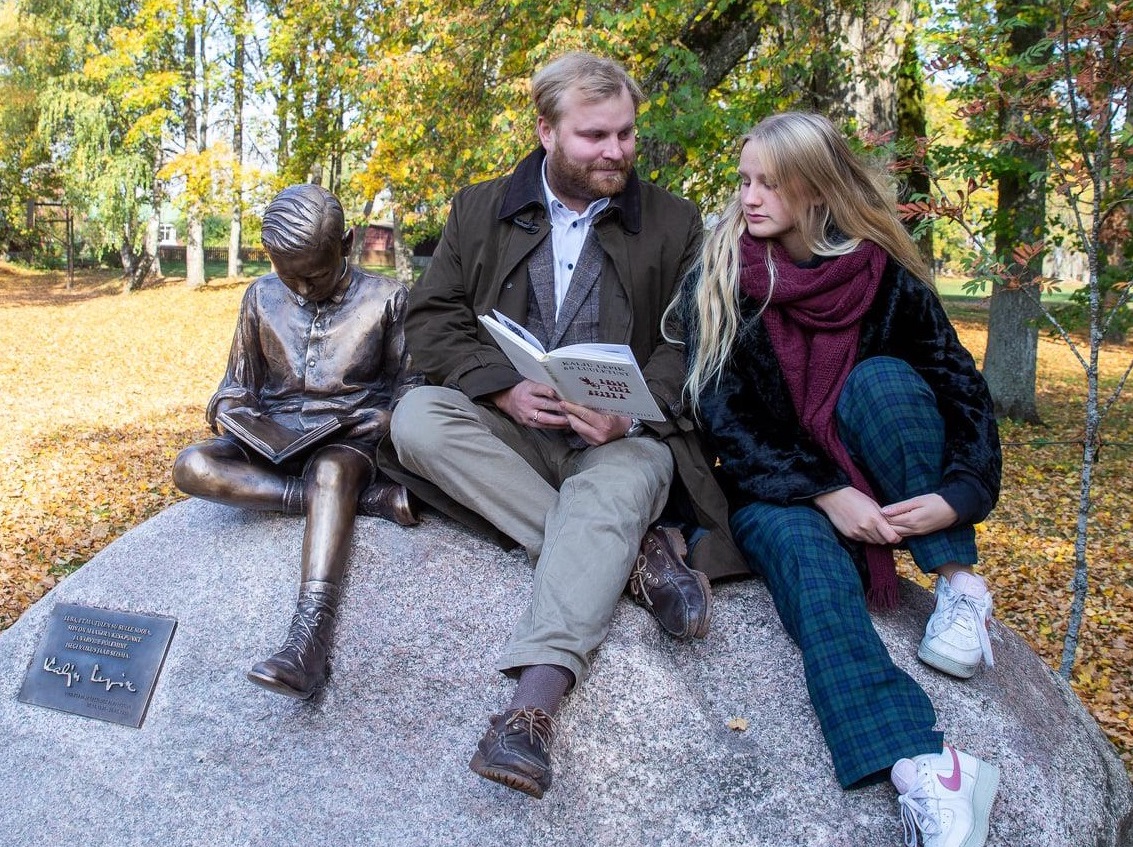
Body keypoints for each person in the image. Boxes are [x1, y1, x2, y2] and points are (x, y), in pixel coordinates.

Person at [384, 52, 747, 799]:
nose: (615, 151)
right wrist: (501, 389)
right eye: (594, 136)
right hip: (513, 431)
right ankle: (640, 555)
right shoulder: (477, 208)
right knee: (416, 417)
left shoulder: (676, 223)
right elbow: (433, 318)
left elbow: (695, 342)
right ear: (545, 131)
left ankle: (528, 713)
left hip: (626, 444)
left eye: (624, 133)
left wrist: (630, 408)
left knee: (609, 493)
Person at [675, 112, 1002, 847]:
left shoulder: (882, 275)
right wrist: (827, 490)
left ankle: (959, 584)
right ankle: (926, 768)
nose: (748, 198)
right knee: (811, 572)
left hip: (885, 480)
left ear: (817, 192)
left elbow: (961, 391)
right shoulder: (723, 275)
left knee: (886, 382)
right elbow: (725, 420)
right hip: (778, 492)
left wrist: (958, 493)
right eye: (744, 180)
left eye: (770, 184)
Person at [173, 183, 421, 700]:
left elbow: (412, 390)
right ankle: (357, 504)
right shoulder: (258, 297)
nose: (304, 290)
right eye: (291, 278)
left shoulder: (388, 299)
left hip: (346, 442)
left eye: (317, 275)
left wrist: (382, 419)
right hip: (270, 444)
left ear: (347, 243)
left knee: (331, 472)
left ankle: (308, 643)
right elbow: (233, 389)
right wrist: (232, 416)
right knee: (191, 465)